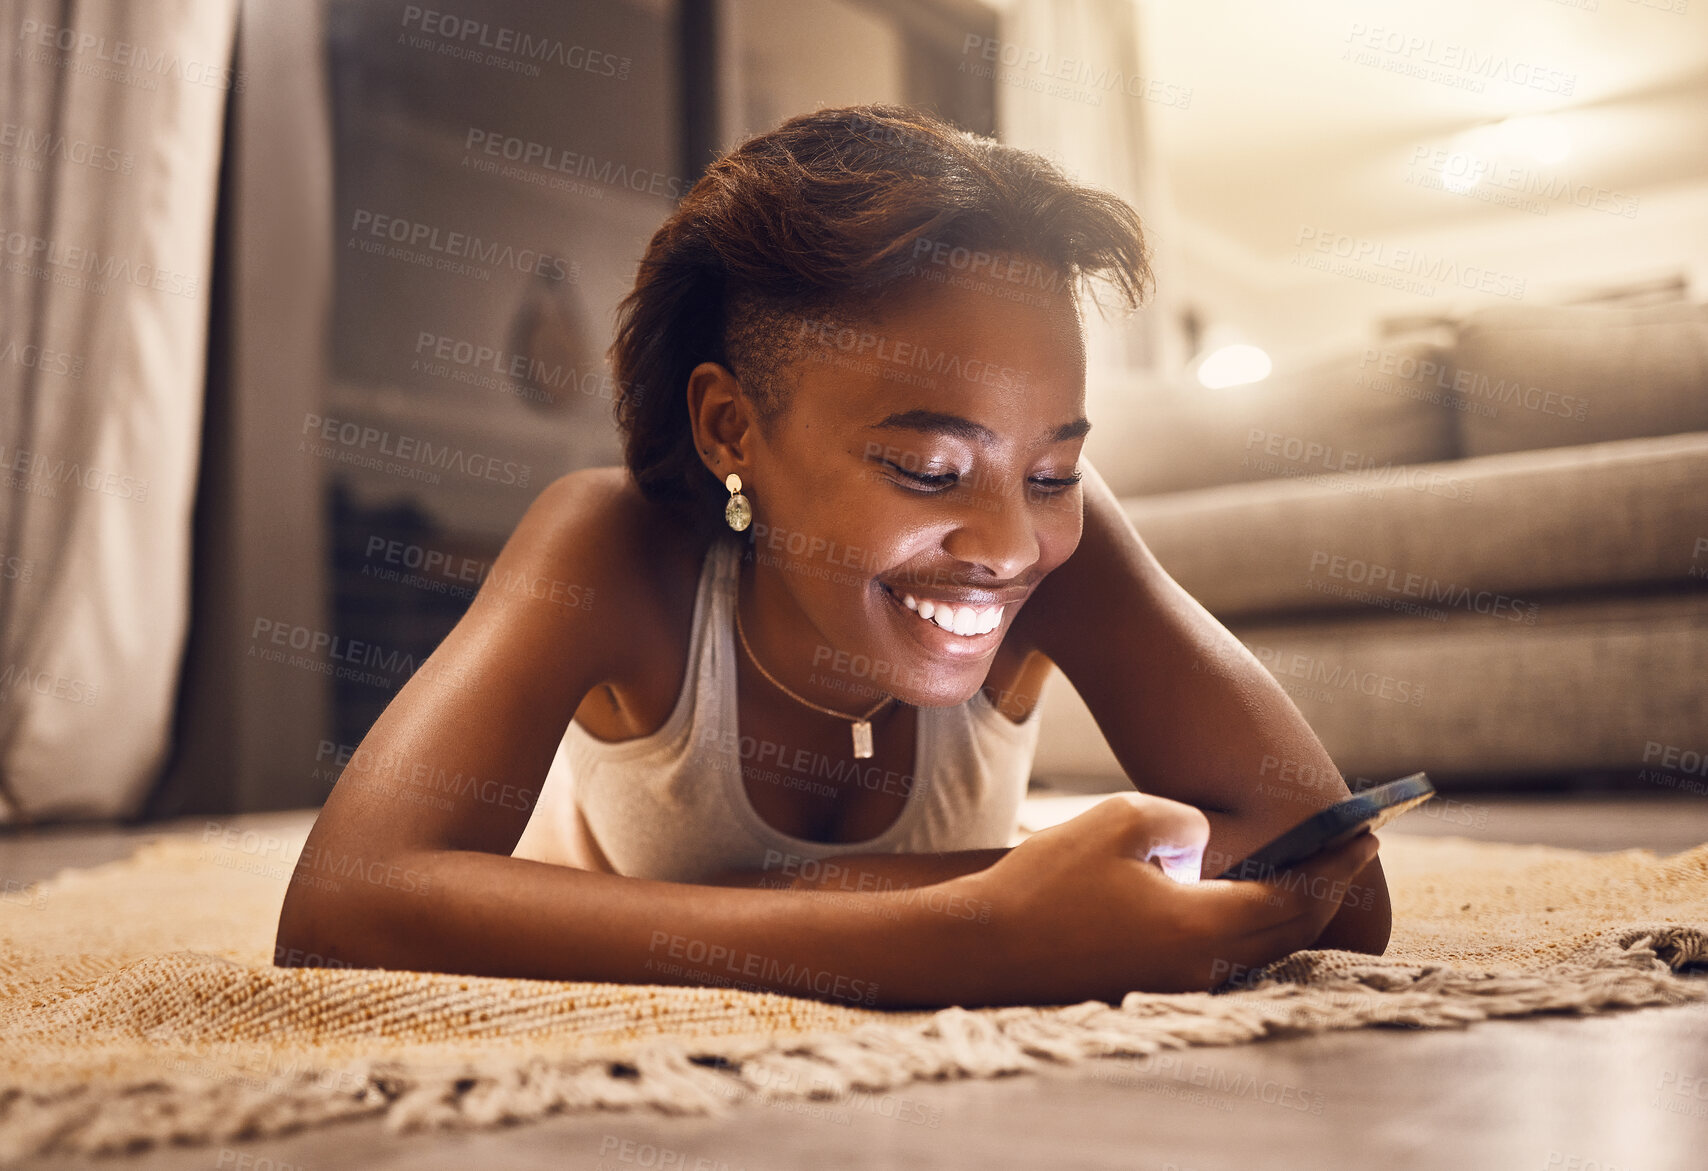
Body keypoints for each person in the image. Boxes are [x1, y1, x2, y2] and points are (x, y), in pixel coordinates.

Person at [275, 103, 1388, 1009]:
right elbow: (343, 907)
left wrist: (853, 894)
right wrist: (968, 935)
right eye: (926, 470)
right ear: (731, 431)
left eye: (1050, 472)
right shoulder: (610, 547)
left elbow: (1336, 879)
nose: (1011, 544)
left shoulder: (1071, 547)